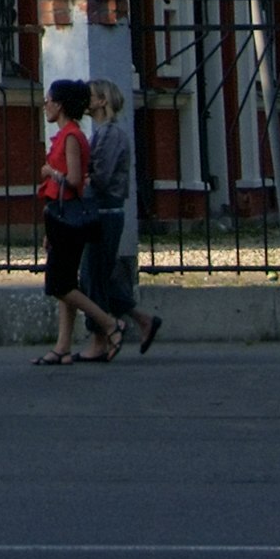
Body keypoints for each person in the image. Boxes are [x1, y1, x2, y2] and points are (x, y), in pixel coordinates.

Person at [38, 77, 125, 365]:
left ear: (60, 105)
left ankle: (110, 324)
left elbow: (75, 180)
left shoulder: (72, 136)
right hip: (59, 215)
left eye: (49, 100)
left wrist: (51, 172)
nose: (45, 105)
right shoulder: (68, 134)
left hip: (68, 215)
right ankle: (62, 346)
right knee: (65, 284)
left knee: (59, 285)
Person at [83, 77, 162, 356]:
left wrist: (71, 177)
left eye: (90, 96)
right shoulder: (102, 133)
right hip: (104, 212)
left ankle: (104, 334)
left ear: (103, 101)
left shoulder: (110, 135)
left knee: (92, 277)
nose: (86, 100)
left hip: (105, 213)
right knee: (98, 277)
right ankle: (142, 320)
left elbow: (100, 178)